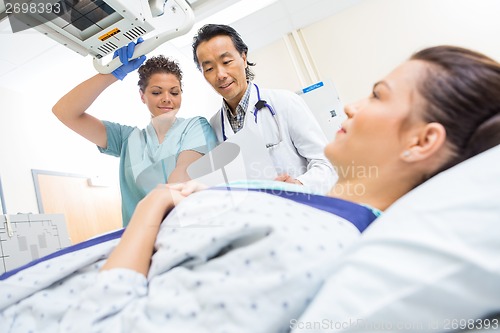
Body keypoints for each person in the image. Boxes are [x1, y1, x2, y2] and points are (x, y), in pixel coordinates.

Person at [3, 45, 500, 332]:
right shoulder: (298, 212)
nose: (350, 107)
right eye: (205, 67)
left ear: (422, 140)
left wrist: (154, 205)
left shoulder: (307, 241)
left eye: (377, 95)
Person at [52, 41, 218, 226]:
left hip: (180, 229)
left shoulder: (195, 126)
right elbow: (65, 112)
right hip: (137, 237)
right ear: (142, 96)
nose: (167, 98)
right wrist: (112, 73)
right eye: (156, 92)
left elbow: (182, 176)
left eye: (174, 92)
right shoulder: (126, 138)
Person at [191, 24, 336, 194]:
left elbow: (326, 164)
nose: (220, 74)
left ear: (243, 58)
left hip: (300, 206)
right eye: (209, 68)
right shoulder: (213, 126)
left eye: (226, 62)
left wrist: (299, 185)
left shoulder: (284, 102)